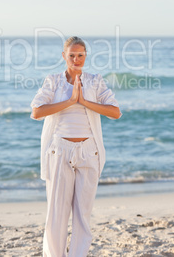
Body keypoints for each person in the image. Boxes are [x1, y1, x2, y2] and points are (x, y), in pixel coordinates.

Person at [30, 36, 122, 257]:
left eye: (80, 55)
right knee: (56, 215)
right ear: (64, 56)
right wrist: (70, 101)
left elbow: (115, 112)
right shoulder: (53, 80)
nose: (76, 59)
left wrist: (84, 101)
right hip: (59, 151)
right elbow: (37, 112)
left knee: (83, 215)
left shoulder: (95, 80)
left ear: (85, 56)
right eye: (71, 55)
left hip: (89, 152)